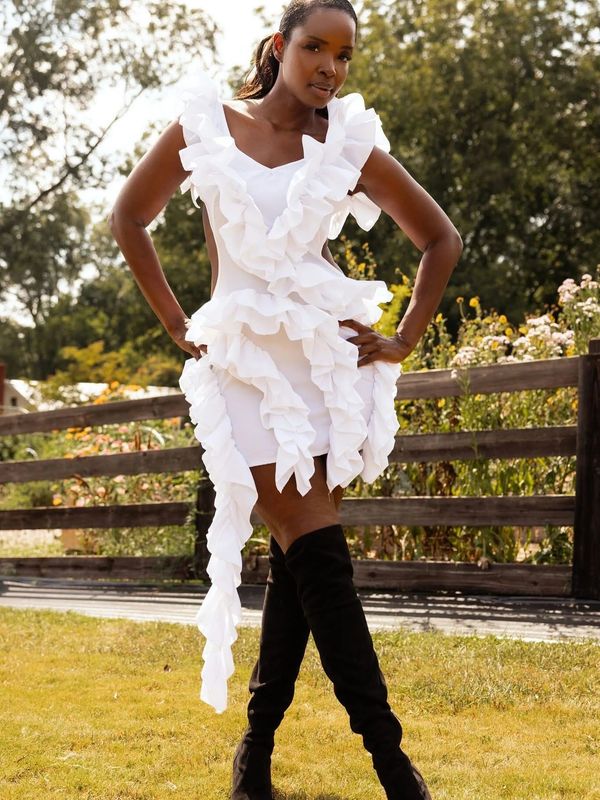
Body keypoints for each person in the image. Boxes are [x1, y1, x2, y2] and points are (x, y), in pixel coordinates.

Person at [109, 0, 462, 796]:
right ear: (281, 45)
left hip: (324, 367)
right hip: (245, 369)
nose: (330, 67)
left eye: (345, 55)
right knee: (319, 559)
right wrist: (177, 322)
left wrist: (404, 337)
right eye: (315, 48)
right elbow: (130, 216)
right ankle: (394, 769)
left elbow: (440, 239)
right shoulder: (206, 125)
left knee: (301, 564)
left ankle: (256, 751)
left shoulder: (346, 144)